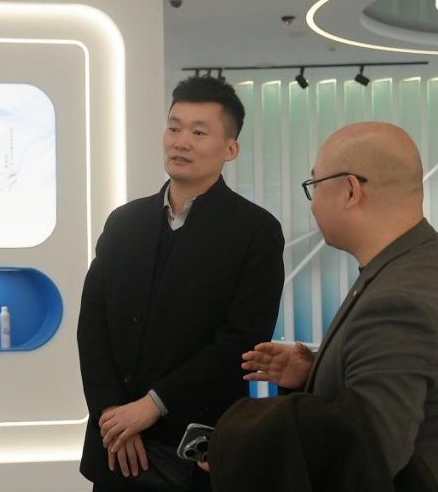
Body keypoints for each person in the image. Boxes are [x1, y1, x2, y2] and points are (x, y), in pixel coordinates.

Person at [242, 122, 438, 492]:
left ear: (350, 190)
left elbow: (363, 463)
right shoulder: (429, 259)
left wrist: (245, 457)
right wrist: (316, 375)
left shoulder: (400, 301)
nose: (313, 204)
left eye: (314, 186)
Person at [77, 76, 286, 492]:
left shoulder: (255, 231)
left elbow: (241, 340)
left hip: (196, 446)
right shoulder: (124, 222)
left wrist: (152, 406)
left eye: (198, 132)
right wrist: (113, 414)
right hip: (116, 445)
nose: (181, 142)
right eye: (174, 128)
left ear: (230, 149)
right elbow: (93, 323)